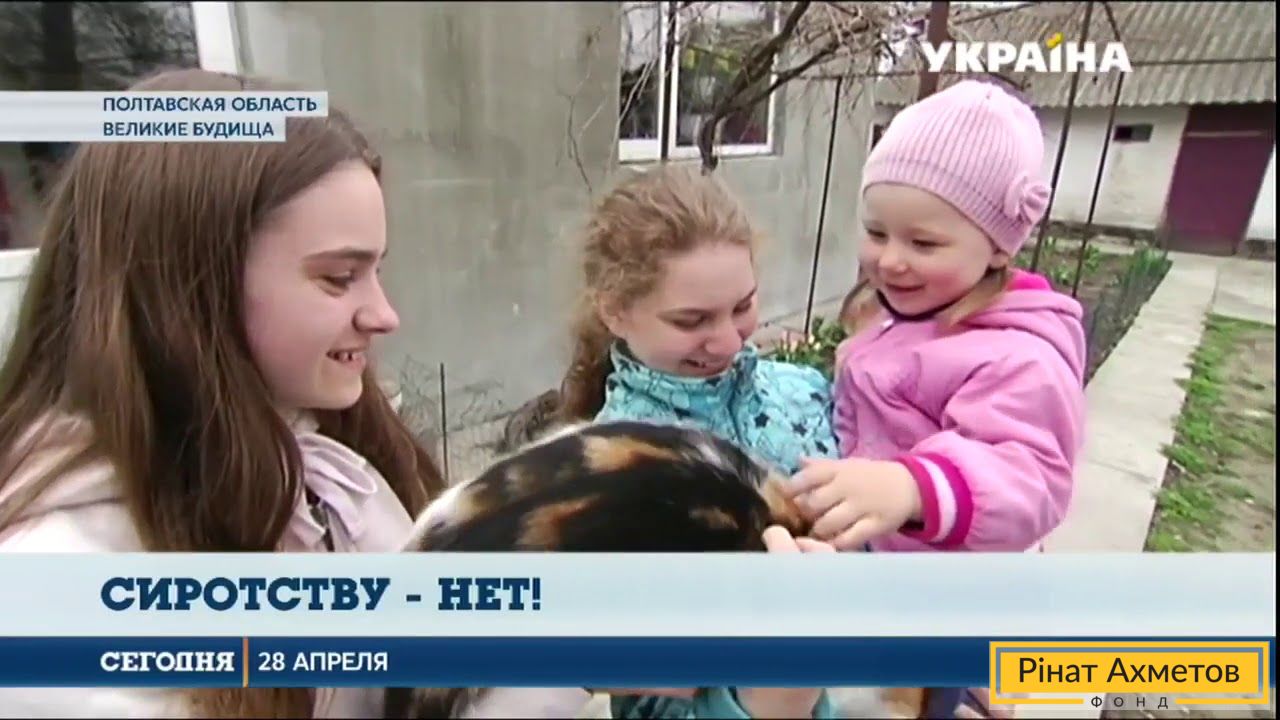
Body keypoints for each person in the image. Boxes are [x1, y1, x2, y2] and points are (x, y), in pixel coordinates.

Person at [0, 68, 447, 718]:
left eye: (377, 270)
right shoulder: (55, 591)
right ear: (192, 287)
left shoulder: (335, 476)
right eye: (338, 277)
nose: (383, 314)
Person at [788, 79, 1088, 718]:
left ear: (999, 245)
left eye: (922, 243)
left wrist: (911, 488)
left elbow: (1027, 473)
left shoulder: (1017, 354)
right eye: (876, 232)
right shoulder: (908, 310)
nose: (890, 260)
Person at [556, 163, 841, 719]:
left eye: (743, 307)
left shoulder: (805, 391)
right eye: (692, 321)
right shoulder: (610, 473)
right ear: (614, 310)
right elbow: (640, 694)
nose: (730, 341)